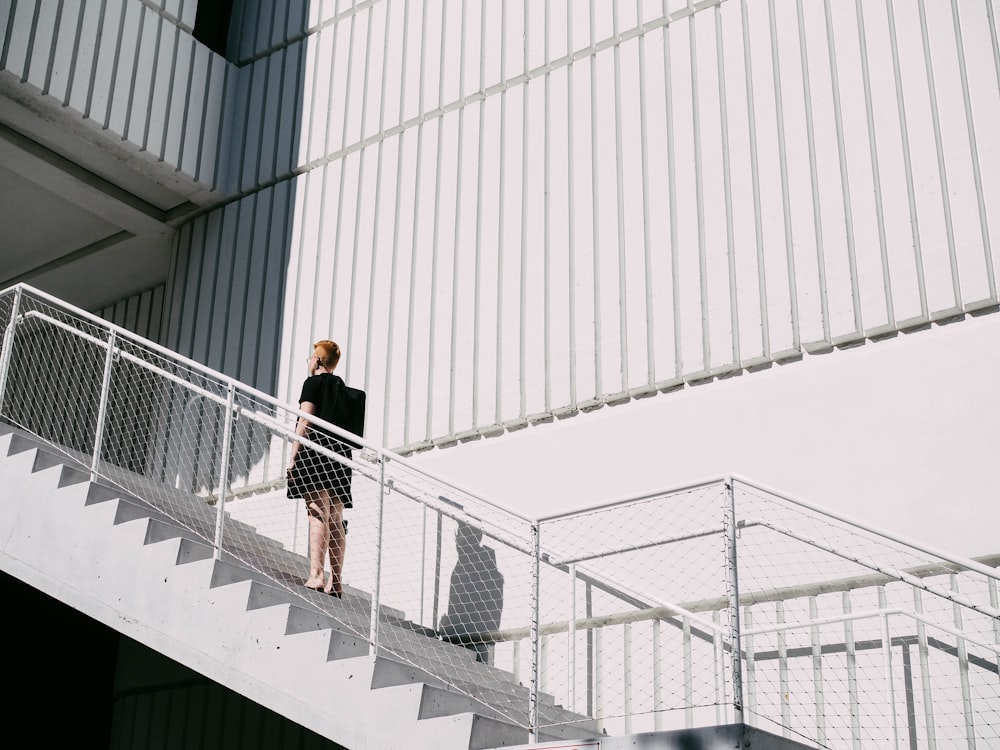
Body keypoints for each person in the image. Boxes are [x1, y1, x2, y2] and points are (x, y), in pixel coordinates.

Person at [287, 340, 353, 598]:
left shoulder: (312, 384)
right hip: (340, 458)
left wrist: (293, 455)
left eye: (310, 358)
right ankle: (336, 582)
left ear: (317, 360)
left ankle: (316, 575)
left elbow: (306, 420)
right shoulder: (343, 389)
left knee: (317, 514)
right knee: (335, 519)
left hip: (314, 453)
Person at [438, 521, 505, 664]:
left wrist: (448, 626)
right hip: (477, 639)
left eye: (460, 534)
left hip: (467, 640)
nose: (457, 540)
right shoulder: (484, 564)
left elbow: (466, 607)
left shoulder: (471, 565)